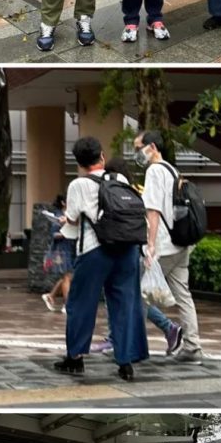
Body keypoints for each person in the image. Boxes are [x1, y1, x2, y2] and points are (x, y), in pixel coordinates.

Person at [54, 136, 148, 381]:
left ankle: (74, 358)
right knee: (125, 305)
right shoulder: (120, 179)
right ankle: (126, 362)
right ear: (102, 156)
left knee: (81, 303)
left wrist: (65, 219)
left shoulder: (78, 185)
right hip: (127, 249)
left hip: (95, 250)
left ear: (79, 163)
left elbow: (73, 218)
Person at [87, 158, 183, 357]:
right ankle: (166, 329)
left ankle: (161, 329)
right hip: (136, 249)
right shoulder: (135, 190)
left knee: (127, 296)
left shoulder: (113, 192)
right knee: (131, 296)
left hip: (127, 251)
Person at [135, 130, 202, 362]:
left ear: (151, 147)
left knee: (138, 293)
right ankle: (192, 346)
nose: (137, 154)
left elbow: (152, 210)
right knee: (183, 294)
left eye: (138, 148)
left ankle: (132, 345)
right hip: (181, 243)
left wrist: (150, 245)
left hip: (164, 245)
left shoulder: (154, 171)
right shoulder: (172, 169)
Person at [42, 195, 75, 314]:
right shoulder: (57, 215)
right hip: (62, 250)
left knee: (69, 277)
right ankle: (67, 305)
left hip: (71, 248)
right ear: (63, 203)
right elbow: (54, 235)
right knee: (67, 277)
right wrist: (65, 232)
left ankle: (51, 295)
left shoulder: (71, 214)